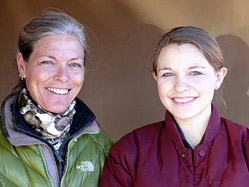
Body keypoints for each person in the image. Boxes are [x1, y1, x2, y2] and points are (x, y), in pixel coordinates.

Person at [99, 26, 249, 186]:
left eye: (195, 72)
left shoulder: (245, 146)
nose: (180, 86)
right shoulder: (128, 152)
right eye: (168, 74)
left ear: (218, 78)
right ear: (156, 78)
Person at [0, 10, 113, 187]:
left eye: (74, 64)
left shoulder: (103, 146)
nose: (63, 76)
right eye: (48, 62)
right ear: (23, 66)